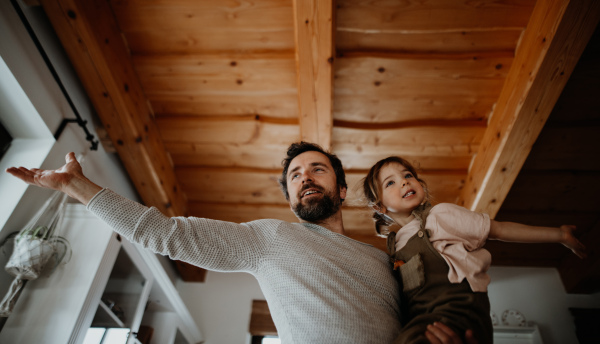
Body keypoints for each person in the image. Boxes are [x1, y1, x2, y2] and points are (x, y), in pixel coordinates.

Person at [6, 142, 473, 344]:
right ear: (290, 198)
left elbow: (428, 312)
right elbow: (163, 233)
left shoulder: (384, 256)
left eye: (317, 169)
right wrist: (78, 189)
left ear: (342, 190)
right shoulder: (268, 238)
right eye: (294, 175)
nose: (304, 177)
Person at [361, 156, 587, 344]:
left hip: (458, 310)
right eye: (390, 182)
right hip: (421, 318)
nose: (403, 182)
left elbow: (498, 229)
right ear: (380, 206)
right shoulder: (394, 247)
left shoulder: (440, 215)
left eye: (408, 175)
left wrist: (559, 235)